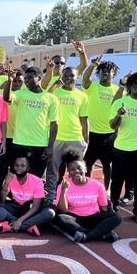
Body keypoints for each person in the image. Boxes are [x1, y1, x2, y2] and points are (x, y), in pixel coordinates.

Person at [3, 66, 58, 201]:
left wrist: (50, 147)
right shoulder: (21, 94)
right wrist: (9, 81)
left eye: (29, 78)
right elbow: (6, 97)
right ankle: (17, 200)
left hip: (40, 145)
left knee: (36, 178)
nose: (26, 81)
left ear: (39, 78)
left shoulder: (51, 98)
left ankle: (33, 203)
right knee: (18, 174)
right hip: (20, 143)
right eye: (25, 78)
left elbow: (54, 124)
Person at [53, 150, 122, 242]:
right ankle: (100, 233)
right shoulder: (63, 185)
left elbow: (104, 208)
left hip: (93, 217)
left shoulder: (97, 185)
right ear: (68, 171)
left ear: (85, 169)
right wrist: (63, 191)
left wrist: (108, 219)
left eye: (79, 168)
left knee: (117, 217)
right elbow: (63, 210)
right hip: (75, 218)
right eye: (72, 169)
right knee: (60, 218)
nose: (76, 171)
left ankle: (87, 236)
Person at [109, 72, 137, 223]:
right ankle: (113, 207)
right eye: (135, 84)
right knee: (117, 180)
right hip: (121, 148)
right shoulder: (119, 102)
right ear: (129, 86)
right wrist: (119, 115)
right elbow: (112, 125)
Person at [81, 57, 120, 192]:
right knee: (87, 165)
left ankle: (106, 191)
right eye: (103, 71)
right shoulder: (92, 87)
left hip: (109, 134)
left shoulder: (118, 91)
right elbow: (85, 79)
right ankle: (88, 188)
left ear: (114, 74)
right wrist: (92, 66)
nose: (106, 73)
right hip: (91, 133)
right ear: (99, 73)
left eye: (109, 71)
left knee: (107, 165)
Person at [48, 67, 89, 195]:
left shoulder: (82, 96)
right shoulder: (55, 92)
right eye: (65, 75)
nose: (68, 78)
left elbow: (84, 119)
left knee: (75, 170)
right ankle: (51, 196)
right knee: (52, 170)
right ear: (61, 76)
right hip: (57, 139)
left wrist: (86, 139)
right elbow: (45, 99)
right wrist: (53, 87)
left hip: (76, 138)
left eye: (72, 75)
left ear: (77, 77)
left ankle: (73, 195)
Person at [0, 151, 56, 236]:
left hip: (30, 209)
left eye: (22, 166)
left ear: (28, 168)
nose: (19, 168)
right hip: (16, 207)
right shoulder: (10, 178)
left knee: (50, 213)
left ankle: (12, 226)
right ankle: (27, 225)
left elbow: (36, 206)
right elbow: (2, 200)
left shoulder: (37, 181)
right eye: (16, 165)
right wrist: (6, 183)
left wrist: (20, 220)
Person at [0, 69, 24, 179]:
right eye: (15, 81)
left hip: (19, 138)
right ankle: (1, 192)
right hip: (4, 137)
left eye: (20, 81)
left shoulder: (25, 94)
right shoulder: (2, 93)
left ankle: (15, 192)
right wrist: (8, 81)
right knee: (3, 167)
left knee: (17, 167)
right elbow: (7, 97)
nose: (17, 83)